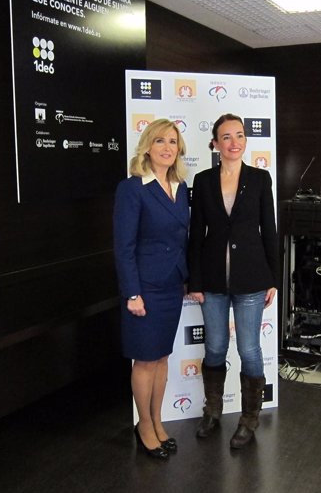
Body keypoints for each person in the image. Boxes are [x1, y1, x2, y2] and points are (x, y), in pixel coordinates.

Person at [188, 113, 278, 449]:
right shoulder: (203, 179)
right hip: (211, 279)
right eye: (226, 136)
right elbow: (196, 235)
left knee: (250, 349)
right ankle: (212, 411)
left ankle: (249, 419)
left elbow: (268, 229)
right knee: (214, 346)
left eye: (239, 135)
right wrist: (194, 281)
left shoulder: (259, 178)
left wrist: (273, 278)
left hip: (252, 278)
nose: (234, 142)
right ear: (215, 143)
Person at [113, 118, 190, 459]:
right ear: (147, 146)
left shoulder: (180, 186)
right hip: (143, 290)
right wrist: (132, 293)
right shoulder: (132, 188)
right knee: (144, 361)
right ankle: (144, 425)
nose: (167, 148)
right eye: (160, 141)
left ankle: (158, 421)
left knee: (161, 358)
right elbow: (123, 246)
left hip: (172, 285)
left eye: (173, 142)